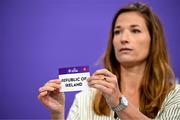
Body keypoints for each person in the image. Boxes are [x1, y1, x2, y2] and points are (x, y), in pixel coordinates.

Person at [38, 2, 180, 120]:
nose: (123, 38)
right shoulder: (85, 97)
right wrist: (57, 114)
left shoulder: (175, 95)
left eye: (135, 30)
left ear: (153, 40)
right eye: (117, 31)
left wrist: (118, 103)